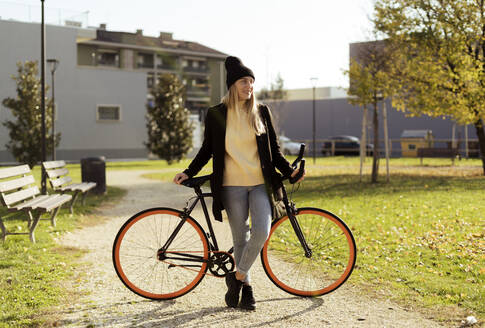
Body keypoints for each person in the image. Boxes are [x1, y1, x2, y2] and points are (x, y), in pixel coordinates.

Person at [173, 56, 304, 310]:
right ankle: (248, 291)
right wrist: (189, 171)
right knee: (240, 238)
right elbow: (207, 150)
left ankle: (237, 276)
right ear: (232, 85)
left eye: (252, 82)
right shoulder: (216, 114)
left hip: (259, 184)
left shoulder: (261, 112)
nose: (249, 86)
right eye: (244, 81)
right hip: (231, 186)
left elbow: (275, 151)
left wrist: (289, 172)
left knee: (262, 232)